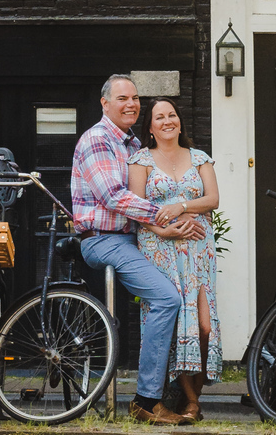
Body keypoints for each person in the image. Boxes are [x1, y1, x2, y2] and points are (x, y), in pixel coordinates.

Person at [71, 74, 204, 425]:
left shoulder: (133, 145)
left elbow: (152, 194)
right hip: (104, 239)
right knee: (166, 298)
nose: (131, 104)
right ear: (105, 103)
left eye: (135, 98)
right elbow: (113, 196)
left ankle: (184, 393)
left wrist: (181, 222)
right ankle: (146, 400)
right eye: (122, 98)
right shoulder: (97, 139)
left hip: (140, 237)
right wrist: (165, 218)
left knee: (186, 294)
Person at [130, 98, 222, 420]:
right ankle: (191, 402)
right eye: (159, 117)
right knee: (175, 324)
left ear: (180, 123)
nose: (167, 121)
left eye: (172, 115)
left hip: (198, 249)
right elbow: (138, 209)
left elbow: (212, 199)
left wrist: (182, 207)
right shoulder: (140, 160)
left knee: (204, 325)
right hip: (159, 247)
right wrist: (165, 230)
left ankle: (189, 399)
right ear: (151, 127)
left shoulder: (199, 158)